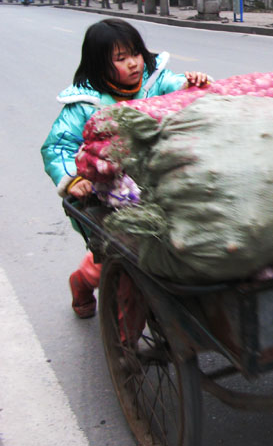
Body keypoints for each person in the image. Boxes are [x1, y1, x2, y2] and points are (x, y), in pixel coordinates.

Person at [41, 18, 210, 318]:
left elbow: (176, 85)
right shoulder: (84, 105)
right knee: (114, 259)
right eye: (121, 59)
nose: (133, 64)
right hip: (111, 195)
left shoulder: (155, 80)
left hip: (159, 183)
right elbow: (56, 148)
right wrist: (73, 179)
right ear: (99, 65)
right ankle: (83, 287)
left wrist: (189, 82)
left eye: (135, 53)